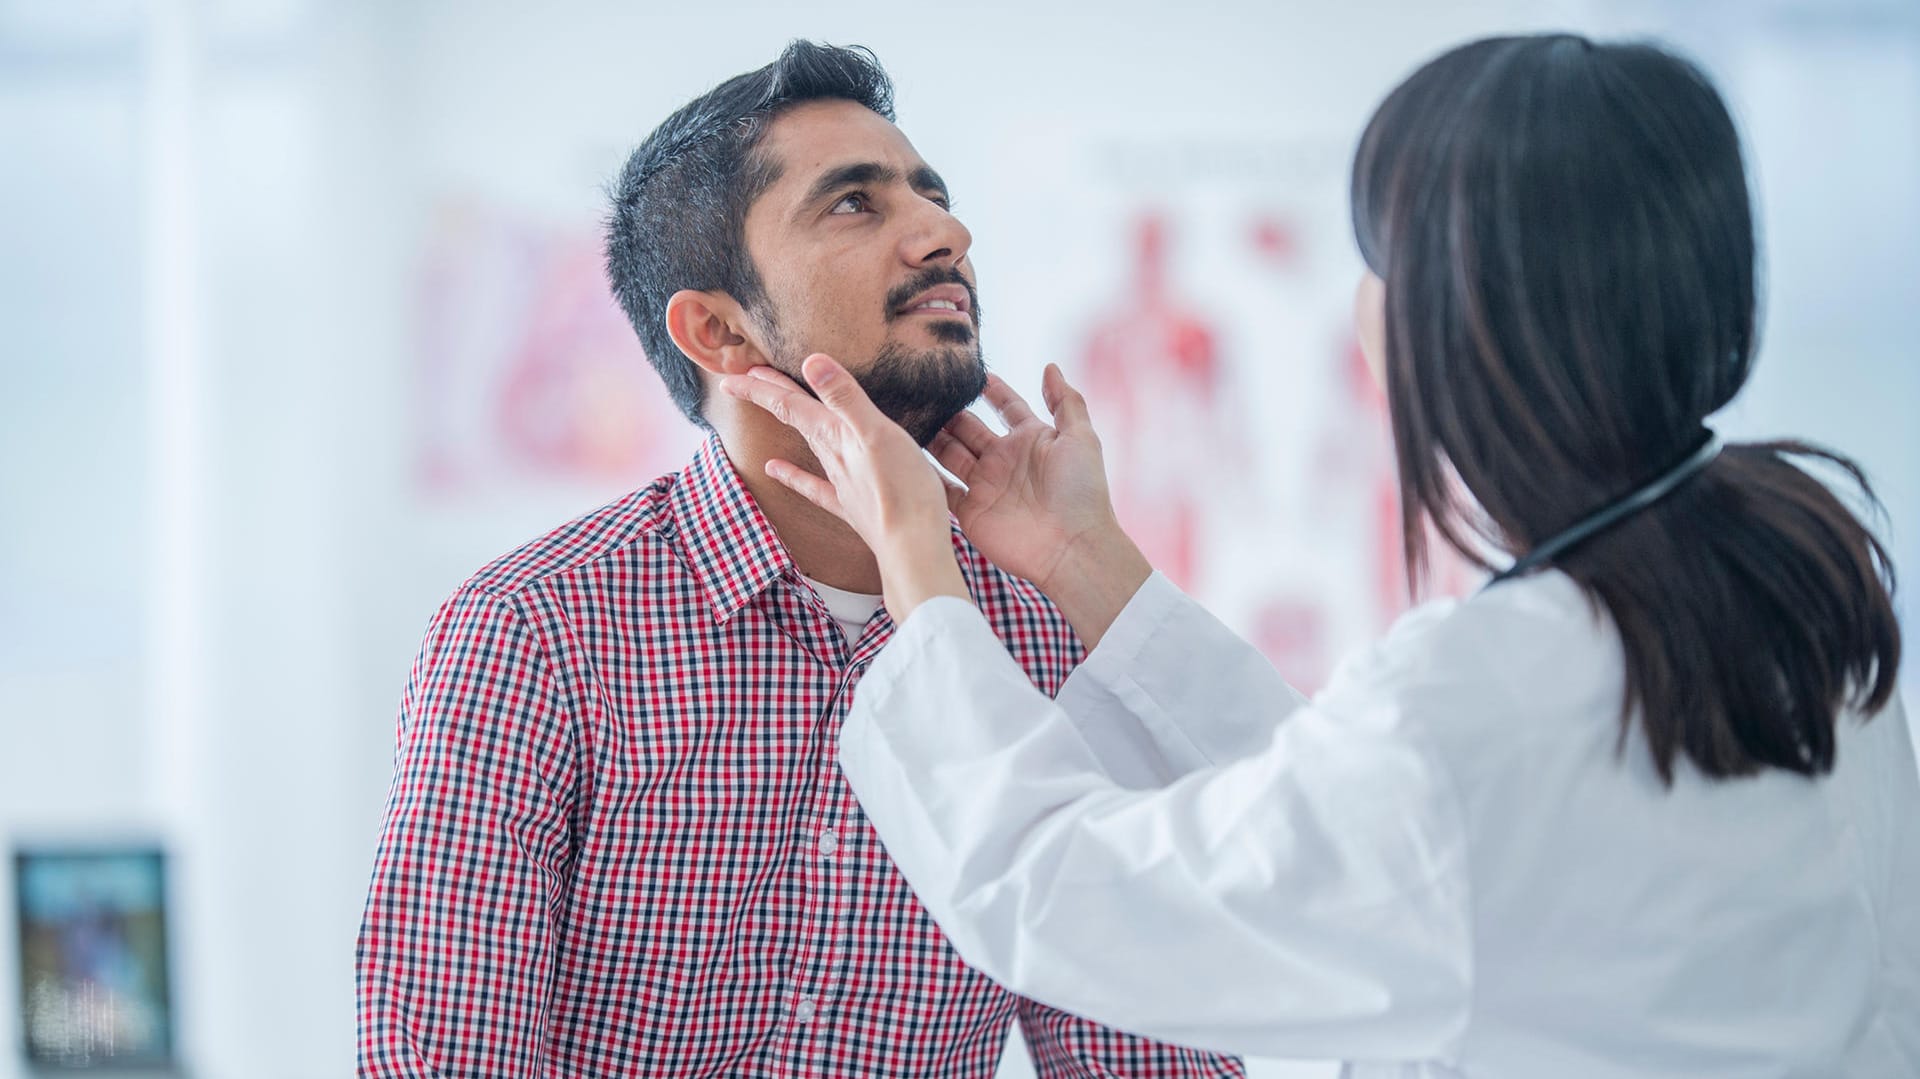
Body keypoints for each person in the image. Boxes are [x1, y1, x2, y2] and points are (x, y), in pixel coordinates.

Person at [720, 33, 1920, 1079]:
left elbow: (1067, 891)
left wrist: (922, 578)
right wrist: (1084, 557)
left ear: (1463, 319)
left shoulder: (1495, 698)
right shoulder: (1793, 575)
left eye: (1382, 259)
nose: (945, 232)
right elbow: (1350, 805)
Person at [353, 40, 1242, 1079]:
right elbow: (450, 1054)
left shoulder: (1051, 630)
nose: (944, 233)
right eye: (854, 205)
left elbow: (1140, 1048)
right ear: (721, 331)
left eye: (933, 195)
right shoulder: (536, 631)